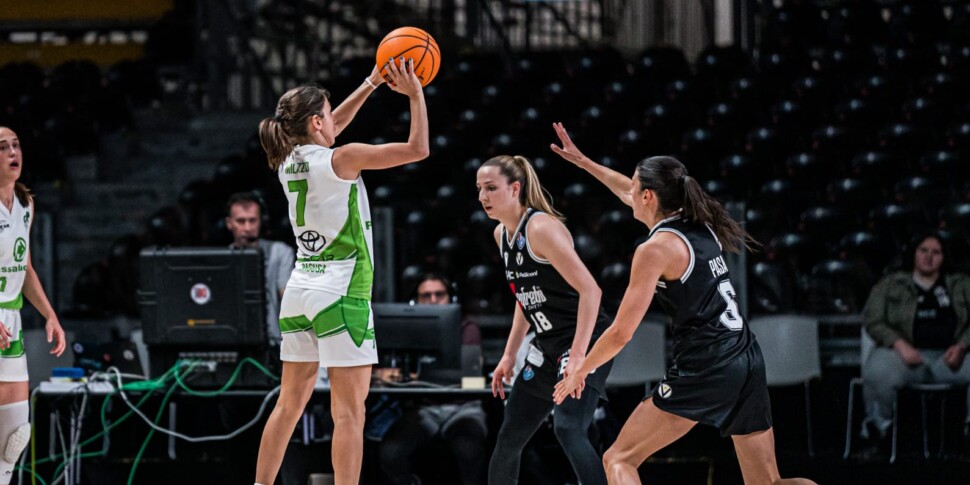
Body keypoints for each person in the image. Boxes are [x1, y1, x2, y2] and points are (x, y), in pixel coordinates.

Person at [549, 123, 815, 485]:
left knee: (619, 458)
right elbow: (625, 190)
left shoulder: (654, 250)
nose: (629, 190)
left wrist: (581, 368)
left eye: (635, 185)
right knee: (767, 483)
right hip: (745, 358)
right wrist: (583, 163)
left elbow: (622, 332)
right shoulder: (699, 223)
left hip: (706, 366)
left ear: (649, 198)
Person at [253, 57, 429, 485]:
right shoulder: (343, 159)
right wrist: (416, 95)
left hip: (300, 291)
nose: (336, 122)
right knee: (349, 413)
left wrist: (370, 83)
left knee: (288, 404)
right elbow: (418, 149)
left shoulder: (286, 159)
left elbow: (330, 129)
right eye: (328, 116)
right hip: (342, 290)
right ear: (317, 123)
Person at [477, 154, 613, 485]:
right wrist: (509, 355)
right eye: (479, 189)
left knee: (568, 428)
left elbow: (591, 292)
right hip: (547, 345)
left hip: (585, 339)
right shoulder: (501, 236)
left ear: (515, 188)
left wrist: (579, 357)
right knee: (509, 436)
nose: (483, 197)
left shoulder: (542, 228)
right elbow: (525, 298)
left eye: (491, 188)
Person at [861, 231, 970, 449]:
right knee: (878, 369)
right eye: (924, 251)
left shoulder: (961, 284)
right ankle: (878, 431)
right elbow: (872, 319)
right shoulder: (891, 283)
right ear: (913, 253)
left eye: (936, 252)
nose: (929, 257)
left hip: (950, 359)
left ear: (943, 257)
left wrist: (962, 345)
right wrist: (899, 344)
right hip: (906, 357)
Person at [0, 127, 66, 485]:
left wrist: (50, 315)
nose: (13, 152)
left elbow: (24, 269)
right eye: (3, 147)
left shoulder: (25, 203)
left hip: (10, 318)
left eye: (16, 145)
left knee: (15, 432)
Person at [377, 273, 488, 485]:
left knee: (469, 449)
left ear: (451, 298)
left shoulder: (467, 328)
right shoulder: (406, 329)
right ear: (415, 301)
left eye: (439, 294)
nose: (434, 300)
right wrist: (386, 374)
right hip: (424, 409)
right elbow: (391, 371)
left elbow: (473, 378)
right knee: (391, 451)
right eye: (426, 296)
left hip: (464, 406)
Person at [225, 191, 295, 345]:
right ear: (229, 223)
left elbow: (287, 297)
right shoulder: (223, 260)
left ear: (261, 221)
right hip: (233, 341)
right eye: (241, 221)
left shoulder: (280, 252)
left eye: (252, 221)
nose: (248, 227)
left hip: (272, 342)